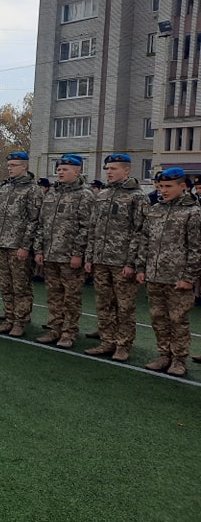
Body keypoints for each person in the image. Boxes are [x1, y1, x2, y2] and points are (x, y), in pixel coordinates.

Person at [136, 167, 201, 376]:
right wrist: (141, 268)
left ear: (183, 187)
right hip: (155, 276)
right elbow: (145, 240)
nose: (163, 190)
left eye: (168, 186)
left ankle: (179, 360)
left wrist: (189, 278)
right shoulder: (156, 209)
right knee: (158, 318)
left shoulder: (193, 212)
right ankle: (164, 355)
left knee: (178, 320)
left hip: (178, 278)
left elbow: (196, 248)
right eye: (161, 186)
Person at [83, 153, 147, 362]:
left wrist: (132, 263)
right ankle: (107, 341)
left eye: (113, 169)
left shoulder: (137, 197)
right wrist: (90, 256)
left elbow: (140, 231)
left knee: (124, 307)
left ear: (126, 170)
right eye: (107, 169)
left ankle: (123, 345)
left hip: (122, 262)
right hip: (101, 260)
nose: (109, 172)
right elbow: (93, 228)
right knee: (104, 303)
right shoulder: (102, 195)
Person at [33, 155, 94, 348]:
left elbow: (87, 227)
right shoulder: (51, 193)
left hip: (69, 257)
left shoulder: (84, 195)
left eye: (65, 169)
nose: (60, 171)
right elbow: (42, 223)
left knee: (71, 297)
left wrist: (78, 253)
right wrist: (39, 249)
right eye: (59, 168)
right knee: (54, 295)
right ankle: (55, 329)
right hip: (50, 254)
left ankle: (69, 333)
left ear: (77, 171)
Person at [0, 151, 43, 338]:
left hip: (18, 246)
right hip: (2, 244)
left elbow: (34, 220)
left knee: (21, 286)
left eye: (14, 165)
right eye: (9, 165)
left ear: (24, 166)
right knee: (6, 285)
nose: (10, 168)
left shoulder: (32, 190)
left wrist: (25, 246)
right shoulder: (5, 188)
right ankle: (9, 318)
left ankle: (20, 321)